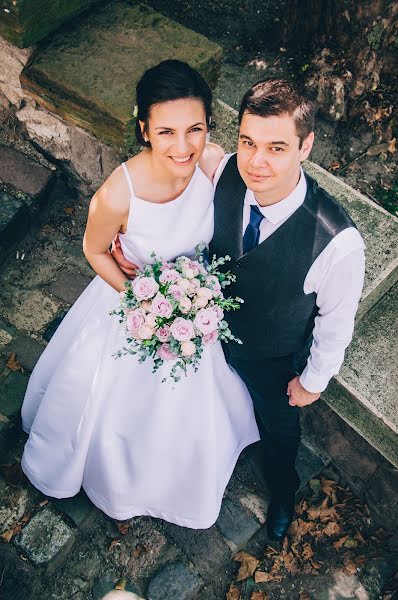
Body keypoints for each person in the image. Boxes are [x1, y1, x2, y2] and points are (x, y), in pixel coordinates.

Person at [113, 78, 365, 540]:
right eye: (248, 142)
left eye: (276, 147)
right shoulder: (226, 169)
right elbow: (174, 179)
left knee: (278, 423)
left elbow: (336, 323)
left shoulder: (337, 243)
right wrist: (131, 237)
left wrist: (312, 381)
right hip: (206, 335)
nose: (257, 162)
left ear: (305, 147)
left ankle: (283, 488)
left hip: (271, 353)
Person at [20, 60, 260, 529]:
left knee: (189, 406)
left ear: (209, 126)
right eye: (166, 131)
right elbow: (94, 252)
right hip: (133, 311)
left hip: (194, 311)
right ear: (144, 127)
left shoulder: (210, 164)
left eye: (195, 129)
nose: (183, 145)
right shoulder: (116, 196)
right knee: (112, 409)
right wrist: (144, 301)